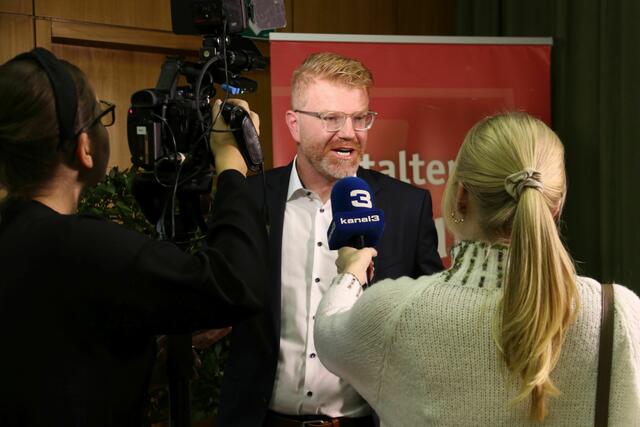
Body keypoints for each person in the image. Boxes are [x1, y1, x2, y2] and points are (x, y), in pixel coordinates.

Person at [313, 111, 640, 426]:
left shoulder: (398, 312)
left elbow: (327, 333)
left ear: (461, 196)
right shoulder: (617, 313)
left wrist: (351, 273)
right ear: (555, 206)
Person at [0, 48, 267, 426]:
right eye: (100, 116)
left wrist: (134, 366)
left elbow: (49, 366)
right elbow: (236, 285)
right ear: (85, 148)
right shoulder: (83, 246)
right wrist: (231, 167)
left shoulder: (16, 235)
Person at [218, 52, 444, 426]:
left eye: (360, 118)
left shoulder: (407, 206)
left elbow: (432, 320)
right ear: (294, 124)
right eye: (331, 118)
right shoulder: (249, 199)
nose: (349, 132)